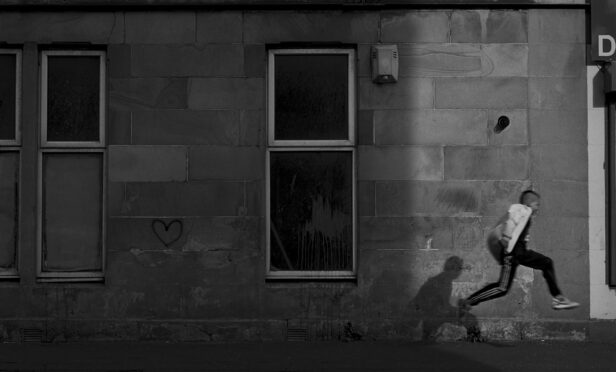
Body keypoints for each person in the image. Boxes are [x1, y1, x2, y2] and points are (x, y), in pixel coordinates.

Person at [459, 190, 579, 314]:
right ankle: (468, 302)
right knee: (502, 287)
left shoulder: (527, 216)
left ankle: (558, 298)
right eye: (537, 205)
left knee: (545, 263)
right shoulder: (522, 209)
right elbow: (512, 220)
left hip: (518, 253)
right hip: (513, 253)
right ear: (530, 203)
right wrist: (506, 237)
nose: (538, 208)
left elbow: (517, 230)